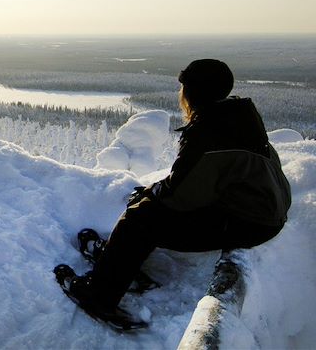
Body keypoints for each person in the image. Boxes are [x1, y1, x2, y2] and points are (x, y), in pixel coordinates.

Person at [57, 58, 291, 319]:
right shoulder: (236, 117)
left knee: (138, 219)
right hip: (259, 211)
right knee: (148, 204)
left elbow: (181, 197)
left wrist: (150, 195)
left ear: (193, 93)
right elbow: (200, 182)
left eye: (185, 89)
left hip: (250, 222)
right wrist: (154, 191)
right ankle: (117, 260)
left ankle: (100, 295)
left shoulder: (208, 132)